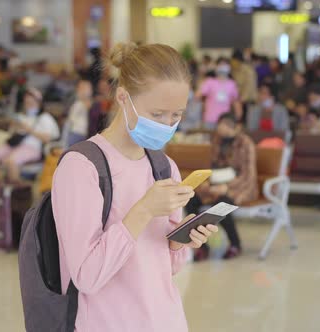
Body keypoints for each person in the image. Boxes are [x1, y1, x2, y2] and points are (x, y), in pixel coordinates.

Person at [51, 42, 219, 332]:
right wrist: (143, 210)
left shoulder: (164, 167)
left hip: (166, 321)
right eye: (157, 114)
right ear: (122, 97)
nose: (168, 125)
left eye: (176, 115)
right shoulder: (81, 167)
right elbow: (87, 277)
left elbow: (167, 268)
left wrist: (180, 240)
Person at [186, 112, 258, 261]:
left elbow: (248, 175)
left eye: (226, 125)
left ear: (235, 127)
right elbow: (212, 166)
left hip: (241, 186)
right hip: (217, 183)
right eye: (221, 125)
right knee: (191, 200)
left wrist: (226, 187)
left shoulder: (246, 143)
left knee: (222, 204)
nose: (222, 129)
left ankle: (235, 244)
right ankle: (201, 246)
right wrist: (206, 181)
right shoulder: (217, 141)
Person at [0, 87, 60, 182]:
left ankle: (16, 189)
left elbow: (47, 138)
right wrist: (15, 127)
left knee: (11, 161)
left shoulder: (45, 118)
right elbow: (12, 134)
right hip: (15, 145)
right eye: (27, 103)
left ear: (39, 103)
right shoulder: (21, 116)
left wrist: (29, 129)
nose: (28, 105)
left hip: (32, 147)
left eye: (31, 103)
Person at [195, 57, 241, 129]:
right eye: (220, 64)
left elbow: (236, 102)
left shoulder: (232, 84)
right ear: (216, 67)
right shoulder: (209, 82)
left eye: (225, 65)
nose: (223, 67)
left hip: (225, 121)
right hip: (209, 119)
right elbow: (197, 96)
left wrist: (238, 118)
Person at [231, 50, 258, 123]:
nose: (232, 63)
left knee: (247, 121)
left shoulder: (248, 70)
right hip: (239, 100)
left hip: (248, 100)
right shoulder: (235, 70)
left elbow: (250, 86)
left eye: (234, 60)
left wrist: (243, 99)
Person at [67, 80, 93, 145]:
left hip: (84, 132)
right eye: (81, 88)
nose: (83, 90)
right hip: (74, 131)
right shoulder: (75, 101)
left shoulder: (88, 102)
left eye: (85, 88)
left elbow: (89, 105)